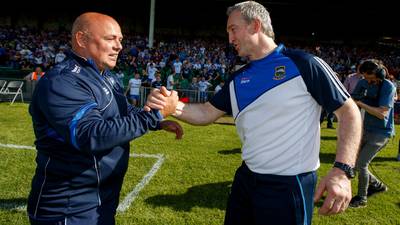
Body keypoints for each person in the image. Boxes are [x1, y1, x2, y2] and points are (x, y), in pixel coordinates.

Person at [146, 1, 362, 224]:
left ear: (255, 25)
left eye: (233, 29)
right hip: (246, 179)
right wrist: (172, 106)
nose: (230, 39)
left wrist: (342, 170)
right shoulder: (238, 78)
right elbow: (207, 112)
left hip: (288, 184)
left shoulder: (305, 64)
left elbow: (349, 113)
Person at [27, 12, 182, 225]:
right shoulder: (63, 81)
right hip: (69, 208)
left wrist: (156, 121)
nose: (119, 46)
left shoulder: (105, 76)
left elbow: (124, 110)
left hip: (100, 199)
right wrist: (153, 116)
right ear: (82, 39)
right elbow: (89, 135)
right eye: (110, 39)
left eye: (120, 40)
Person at [349, 59, 395, 208]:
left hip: (382, 132)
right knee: (355, 164)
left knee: (362, 164)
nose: (367, 82)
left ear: (379, 74)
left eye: (370, 78)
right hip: (366, 128)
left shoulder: (388, 86)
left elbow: (382, 114)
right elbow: (353, 98)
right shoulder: (363, 82)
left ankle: (361, 199)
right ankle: (377, 185)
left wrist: (361, 103)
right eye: (365, 78)